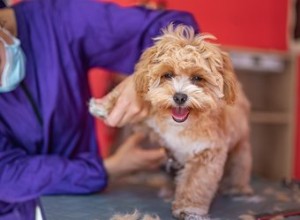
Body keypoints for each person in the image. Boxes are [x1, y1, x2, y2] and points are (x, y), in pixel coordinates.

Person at [0, 0, 199, 218]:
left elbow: (178, 27)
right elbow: (7, 174)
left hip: (79, 205)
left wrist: (147, 75)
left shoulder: (59, 19)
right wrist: (106, 169)